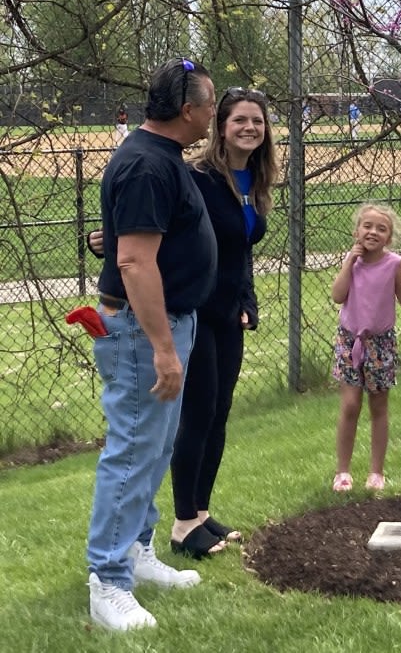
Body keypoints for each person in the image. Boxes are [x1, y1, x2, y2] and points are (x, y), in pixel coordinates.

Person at [86, 58, 217, 631]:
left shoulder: (160, 158)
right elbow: (135, 261)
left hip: (164, 325)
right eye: (210, 102)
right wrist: (164, 347)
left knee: (154, 449)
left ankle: (136, 551)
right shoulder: (145, 164)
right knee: (133, 449)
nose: (214, 111)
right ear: (187, 109)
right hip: (144, 333)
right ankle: (107, 581)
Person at [168, 87, 279, 557]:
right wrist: (110, 241)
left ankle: (201, 513)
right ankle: (181, 525)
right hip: (197, 312)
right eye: (239, 120)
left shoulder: (253, 178)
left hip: (229, 314)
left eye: (257, 120)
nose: (249, 128)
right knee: (198, 415)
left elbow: (241, 251)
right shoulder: (198, 176)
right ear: (221, 126)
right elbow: (166, 228)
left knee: (219, 415)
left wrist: (247, 297)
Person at [331, 203, 401, 492]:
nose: (373, 232)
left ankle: (376, 472)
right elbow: (338, 296)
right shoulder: (352, 261)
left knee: (378, 406)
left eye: (381, 229)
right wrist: (349, 261)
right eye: (367, 226)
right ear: (357, 231)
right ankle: (343, 472)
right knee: (350, 406)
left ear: (389, 237)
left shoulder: (394, 264)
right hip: (350, 341)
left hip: (380, 343)